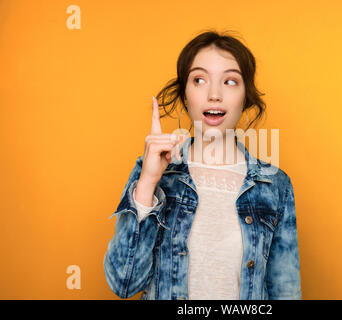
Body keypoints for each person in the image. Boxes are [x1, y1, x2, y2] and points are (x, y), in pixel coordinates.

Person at [103, 30, 301, 300]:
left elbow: (285, 291)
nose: (214, 94)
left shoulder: (275, 184)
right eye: (199, 80)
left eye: (230, 81)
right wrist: (149, 181)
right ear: (185, 95)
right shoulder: (155, 172)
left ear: (245, 96)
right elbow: (123, 284)